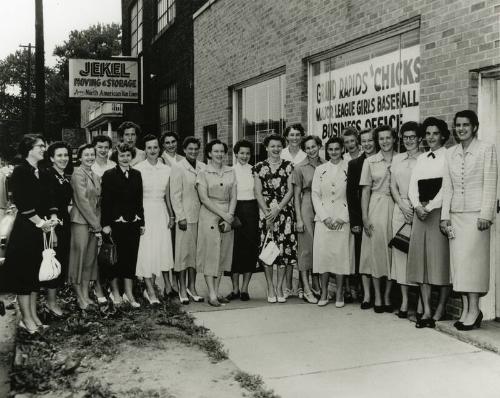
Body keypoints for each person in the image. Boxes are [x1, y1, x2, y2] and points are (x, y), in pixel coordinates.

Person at [441, 110, 498, 331]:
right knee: (460, 265)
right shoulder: (450, 153)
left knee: (473, 265)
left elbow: (490, 183)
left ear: (475, 127)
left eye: (466, 125)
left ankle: (474, 309)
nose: (461, 129)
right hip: (456, 216)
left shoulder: (486, 149)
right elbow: (447, 187)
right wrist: (445, 216)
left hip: (476, 217)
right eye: (458, 125)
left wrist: (486, 213)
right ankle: (466, 308)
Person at [2, 134, 58, 333]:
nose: (44, 149)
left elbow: (50, 198)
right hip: (26, 230)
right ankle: (25, 319)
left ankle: (33, 316)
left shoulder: (42, 171)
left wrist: (53, 217)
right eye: (40, 146)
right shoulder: (20, 171)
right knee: (25, 276)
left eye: (44, 145)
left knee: (35, 275)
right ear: (29, 148)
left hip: (40, 230)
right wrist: (41, 222)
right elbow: (22, 201)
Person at [407, 117, 451, 328]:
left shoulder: (449, 157)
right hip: (420, 215)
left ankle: (440, 310)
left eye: (435, 133)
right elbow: (412, 186)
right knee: (422, 263)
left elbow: (447, 188)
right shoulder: (421, 159)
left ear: (442, 135)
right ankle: (426, 310)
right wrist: (417, 206)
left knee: (440, 263)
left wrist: (431, 206)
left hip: (437, 212)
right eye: (428, 133)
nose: (431, 137)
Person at [254, 134, 297, 303]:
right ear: (266, 147)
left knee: (284, 251)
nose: (276, 149)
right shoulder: (259, 167)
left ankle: (280, 286)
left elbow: (290, 190)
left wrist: (278, 209)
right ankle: (270, 286)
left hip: (284, 213)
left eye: (279, 146)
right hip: (266, 214)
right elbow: (257, 192)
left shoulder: (289, 166)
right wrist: (267, 213)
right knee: (268, 251)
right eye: (272, 146)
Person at [312, 137, 354, 307]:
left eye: (337, 149)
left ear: (342, 149)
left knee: (340, 256)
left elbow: (352, 194)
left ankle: (340, 293)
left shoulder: (349, 168)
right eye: (331, 149)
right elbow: (315, 194)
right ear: (326, 151)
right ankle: (323, 293)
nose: (334, 152)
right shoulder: (320, 169)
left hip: (342, 219)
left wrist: (342, 217)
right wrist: (325, 217)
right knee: (324, 256)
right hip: (324, 219)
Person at [102, 143, 145, 307]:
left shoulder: (137, 174)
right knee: (115, 259)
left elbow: (139, 200)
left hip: (133, 223)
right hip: (115, 224)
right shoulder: (109, 174)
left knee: (130, 258)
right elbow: (105, 201)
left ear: (132, 156)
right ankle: (115, 293)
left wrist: (141, 221)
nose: (125, 158)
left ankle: (129, 293)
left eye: (128, 155)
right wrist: (105, 224)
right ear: (116, 157)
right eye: (122, 155)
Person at [134, 135, 175, 304]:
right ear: (145, 150)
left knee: (161, 250)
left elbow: (168, 195)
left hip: (161, 212)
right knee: (146, 251)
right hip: (144, 212)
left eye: (155, 147)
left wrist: (171, 215)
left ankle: (166, 287)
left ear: (160, 149)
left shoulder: (166, 169)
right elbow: (135, 196)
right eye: (149, 148)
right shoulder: (138, 168)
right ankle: (150, 290)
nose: (152, 151)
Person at [359, 125, 396, 313]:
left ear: (394, 139)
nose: (385, 142)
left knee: (392, 253)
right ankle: (378, 297)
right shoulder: (371, 162)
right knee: (374, 253)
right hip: (376, 206)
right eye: (381, 139)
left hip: (396, 208)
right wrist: (365, 217)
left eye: (388, 138)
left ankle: (388, 296)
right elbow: (365, 190)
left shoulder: (401, 159)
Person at [196, 140, 237, 307]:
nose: (219, 154)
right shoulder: (203, 172)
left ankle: (217, 290)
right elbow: (204, 199)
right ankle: (211, 293)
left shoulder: (230, 171)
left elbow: (234, 195)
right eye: (216, 151)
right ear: (209, 153)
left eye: (222, 151)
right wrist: (224, 216)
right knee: (210, 255)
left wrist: (230, 215)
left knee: (222, 255)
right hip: (209, 215)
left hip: (227, 213)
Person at [389, 122, 422, 319]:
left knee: (416, 257)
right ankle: (404, 302)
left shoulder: (424, 158)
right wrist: (401, 205)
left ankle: (418, 304)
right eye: (405, 137)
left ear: (419, 139)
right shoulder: (397, 159)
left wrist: (413, 207)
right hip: (400, 209)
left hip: (418, 210)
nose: (409, 140)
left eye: (412, 137)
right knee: (400, 255)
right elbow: (392, 186)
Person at [170, 137, 205, 304]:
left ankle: (192, 287)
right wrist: (180, 217)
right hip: (185, 218)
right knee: (183, 255)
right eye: (190, 149)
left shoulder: (202, 167)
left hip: (201, 217)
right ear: (184, 150)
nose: (193, 151)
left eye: (196, 149)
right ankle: (182, 289)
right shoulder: (178, 167)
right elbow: (175, 195)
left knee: (195, 255)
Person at [68, 144, 102, 310]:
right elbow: (82, 201)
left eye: (92, 154)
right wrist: (96, 224)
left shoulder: (94, 175)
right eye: (86, 155)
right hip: (81, 221)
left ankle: (86, 294)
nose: (90, 157)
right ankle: (79, 297)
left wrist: (97, 222)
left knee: (89, 260)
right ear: (80, 157)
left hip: (93, 222)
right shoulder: (77, 173)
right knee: (79, 260)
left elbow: (97, 202)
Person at [346, 129, 377, 305]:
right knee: (363, 257)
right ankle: (366, 294)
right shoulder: (355, 164)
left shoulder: (385, 160)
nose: (367, 144)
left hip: (380, 211)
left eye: (370, 140)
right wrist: (355, 221)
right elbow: (351, 195)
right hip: (362, 216)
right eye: (363, 141)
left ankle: (379, 294)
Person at [293, 135, 324, 304]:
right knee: (306, 247)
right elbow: (296, 195)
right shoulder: (299, 167)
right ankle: (305, 288)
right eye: (308, 148)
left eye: (314, 146)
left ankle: (317, 284)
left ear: (319, 146)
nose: (311, 150)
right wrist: (298, 218)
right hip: (306, 204)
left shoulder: (326, 164)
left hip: (322, 205)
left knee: (318, 246)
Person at [226, 140, 259, 302]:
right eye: (241, 153)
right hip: (235, 210)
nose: (244, 156)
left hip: (252, 211)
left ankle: (245, 288)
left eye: (247, 153)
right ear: (236, 154)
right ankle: (235, 289)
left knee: (249, 250)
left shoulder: (255, 170)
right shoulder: (230, 171)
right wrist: (230, 214)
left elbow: (259, 194)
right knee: (234, 251)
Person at [44, 142, 73, 317]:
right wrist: (53, 231)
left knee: (60, 261)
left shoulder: (62, 176)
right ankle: (51, 303)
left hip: (64, 223)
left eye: (66, 155)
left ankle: (53, 301)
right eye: (59, 155)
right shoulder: (49, 176)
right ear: (52, 158)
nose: (63, 159)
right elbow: (50, 203)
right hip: (54, 225)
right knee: (54, 262)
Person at [281, 124, 306, 298]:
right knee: (288, 247)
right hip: (284, 204)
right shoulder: (281, 153)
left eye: (298, 135)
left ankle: (303, 285)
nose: (295, 138)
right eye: (292, 135)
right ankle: (288, 285)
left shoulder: (306, 155)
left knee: (303, 245)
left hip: (303, 202)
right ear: (287, 137)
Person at [90, 134, 116, 304]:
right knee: (95, 252)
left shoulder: (114, 165)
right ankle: (98, 287)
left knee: (111, 251)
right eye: (100, 147)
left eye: (106, 147)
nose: (103, 150)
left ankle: (114, 288)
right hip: (93, 214)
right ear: (94, 148)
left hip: (110, 213)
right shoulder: (89, 165)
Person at [159, 131, 184, 295]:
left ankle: (179, 283)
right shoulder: (160, 160)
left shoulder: (183, 159)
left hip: (182, 207)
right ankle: (169, 285)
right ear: (163, 145)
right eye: (167, 142)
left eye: (173, 141)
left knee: (179, 248)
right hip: (166, 208)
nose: (171, 145)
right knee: (167, 247)